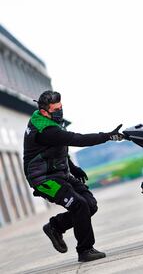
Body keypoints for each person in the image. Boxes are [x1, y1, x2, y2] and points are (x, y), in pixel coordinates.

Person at [23, 90, 123, 262]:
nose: (60, 111)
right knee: (79, 205)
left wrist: (73, 167)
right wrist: (106, 136)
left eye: (61, 107)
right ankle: (85, 250)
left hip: (60, 173)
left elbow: (56, 148)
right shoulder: (44, 129)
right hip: (43, 179)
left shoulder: (50, 120)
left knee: (90, 205)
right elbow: (77, 139)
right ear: (44, 111)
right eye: (56, 109)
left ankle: (55, 226)